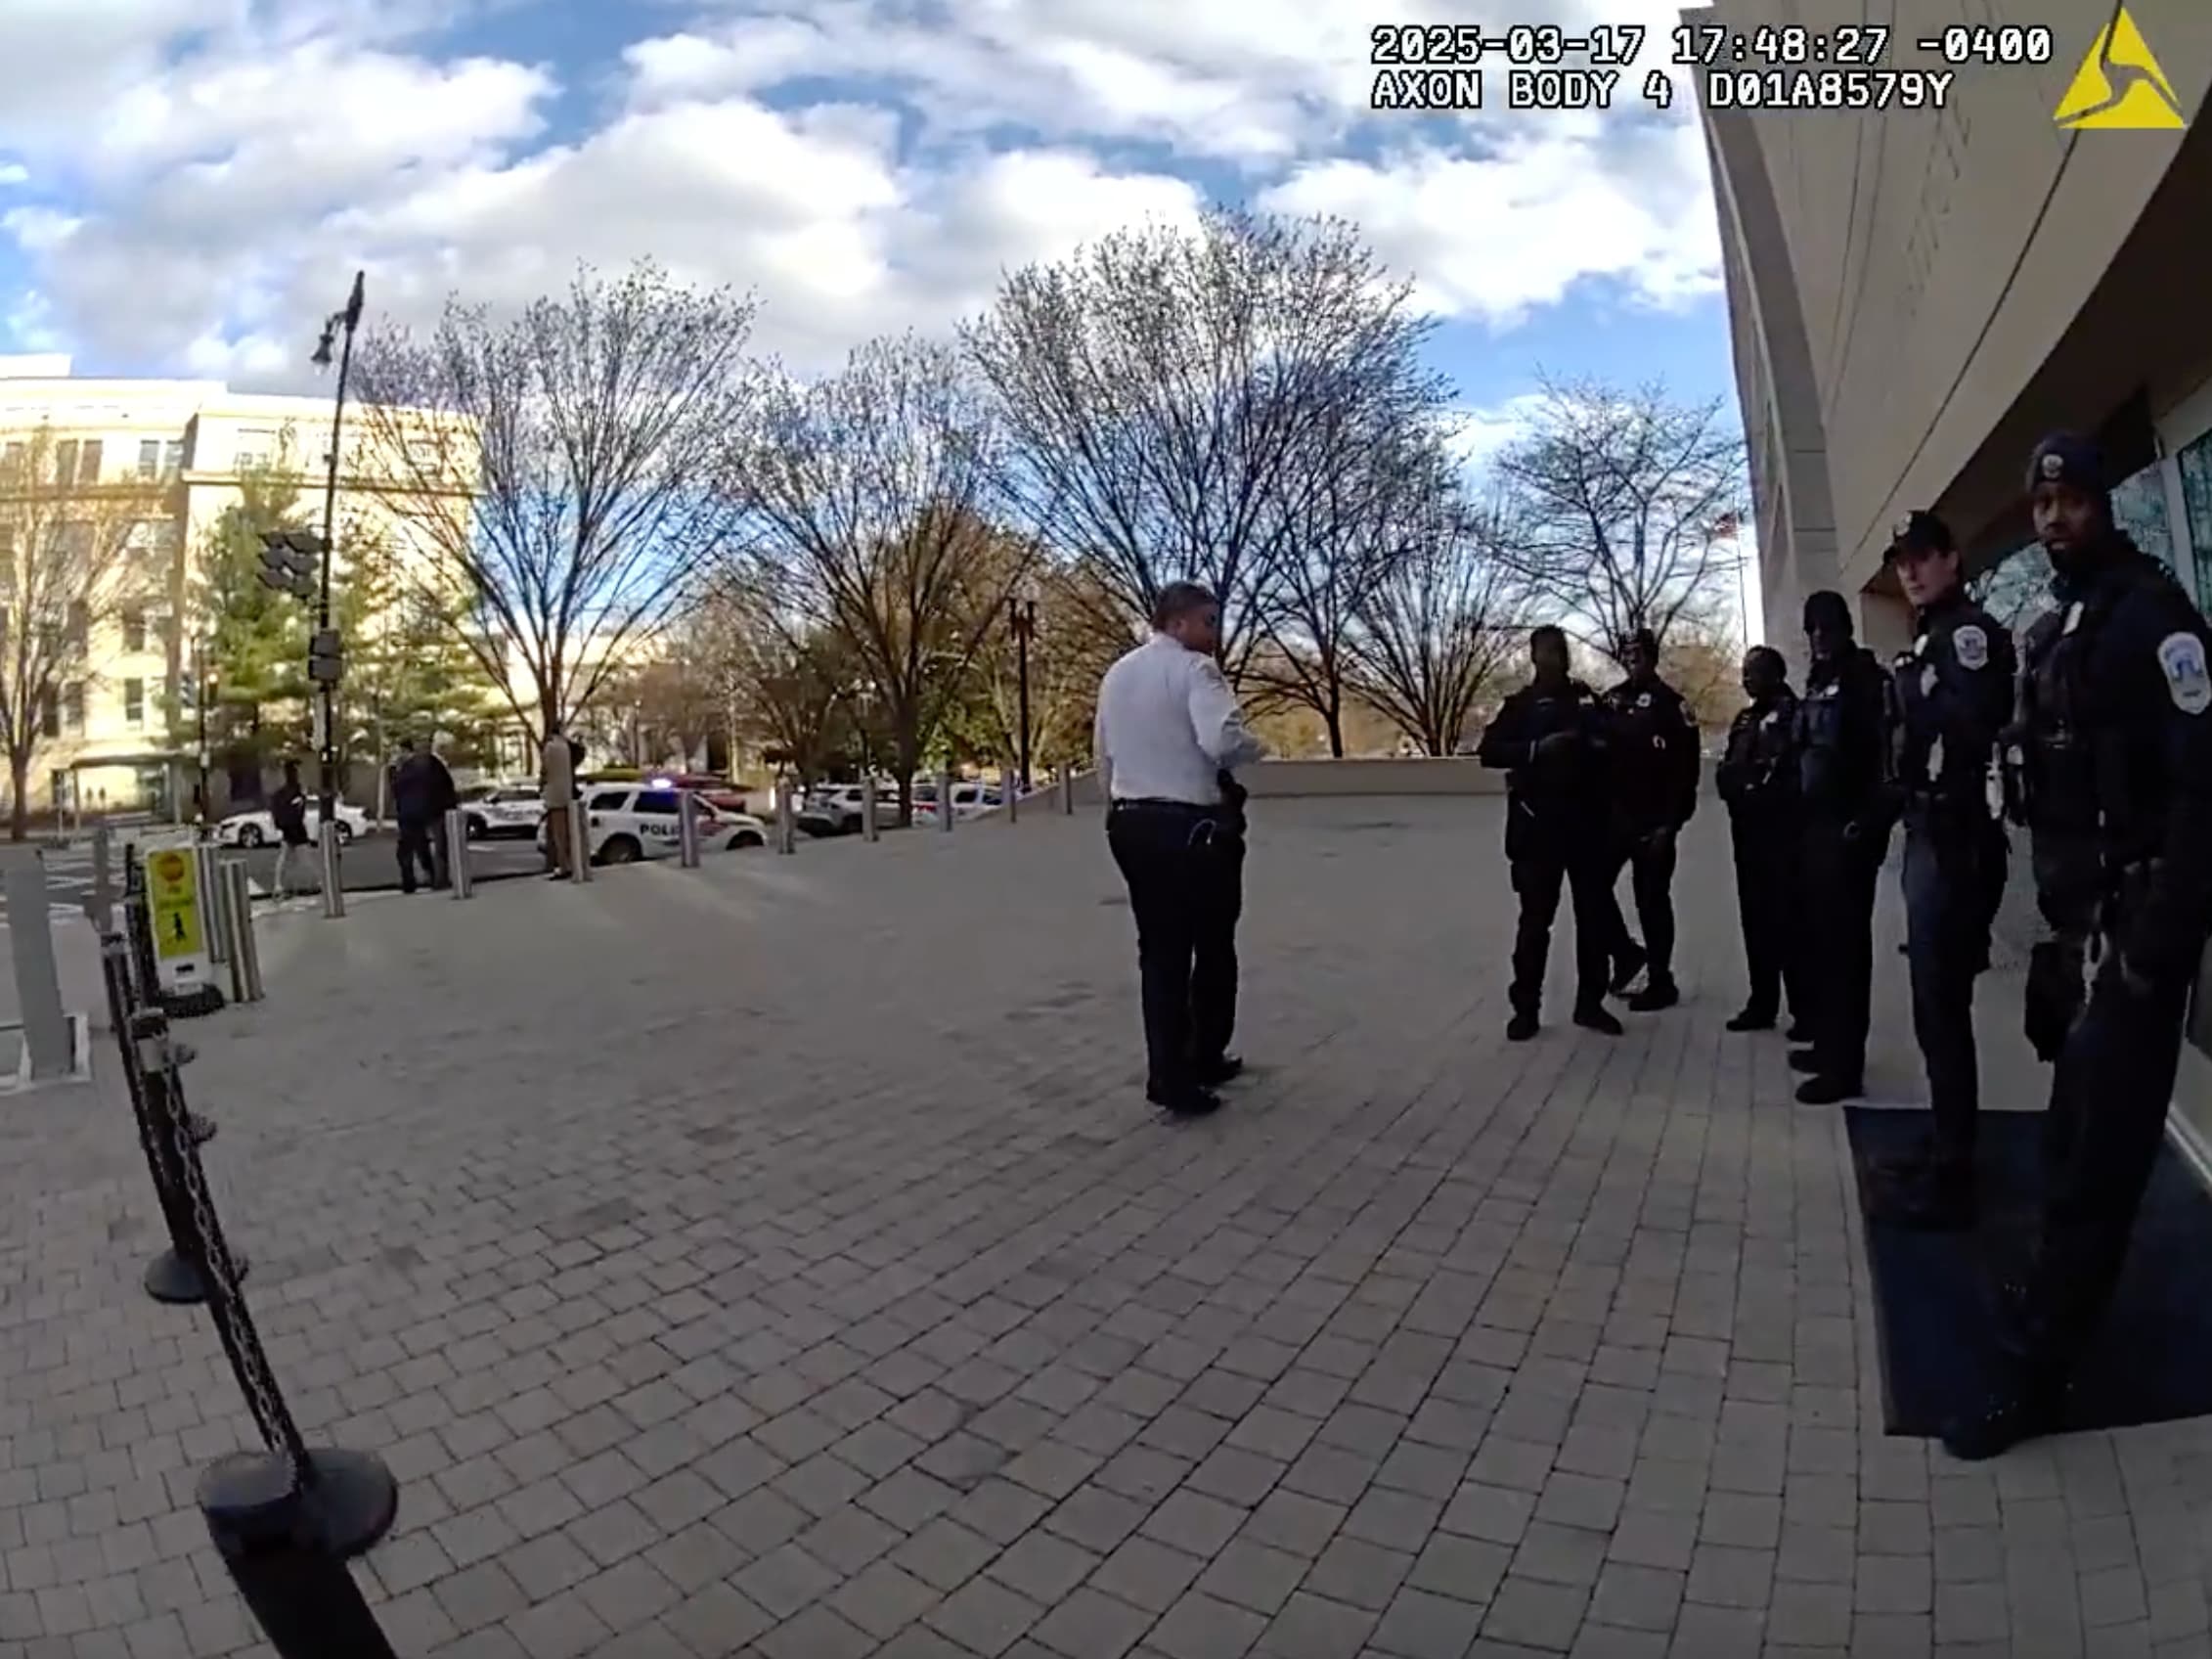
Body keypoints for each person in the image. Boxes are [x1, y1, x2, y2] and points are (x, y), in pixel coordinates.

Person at [1944, 434, 2212, 1460]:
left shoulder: (2154, 617)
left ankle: (2037, 1375)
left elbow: (2202, 790)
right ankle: (2047, 1306)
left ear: (2103, 502)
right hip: (2078, 925)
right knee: (2066, 1141)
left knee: (2100, 1159)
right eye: (2040, 502)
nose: (2053, 517)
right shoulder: (2063, 622)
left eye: (2071, 499)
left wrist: (2151, 949)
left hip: (2134, 930)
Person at [1867, 511, 2015, 1230]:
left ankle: (1955, 1172)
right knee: (1933, 1009)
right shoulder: (1930, 638)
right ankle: (1945, 1141)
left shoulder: (1967, 634)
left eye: (1923, 557)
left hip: (1958, 841)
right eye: (1902, 562)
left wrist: (1918, 683)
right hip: (1929, 832)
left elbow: (1975, 720)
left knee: (1943, 1008)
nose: (1911, 571)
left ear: (1952, 560)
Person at [1093, 582, 1264, 1118]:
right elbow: (1222, 740)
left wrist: (1118, 805)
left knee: (1160, 953)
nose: (1215, 632)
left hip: (1131, 821)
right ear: (1179, 622)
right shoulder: (1197, 671)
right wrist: (1255, 747)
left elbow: (1102, 753)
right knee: (1212, 942)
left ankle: (1168, 1070)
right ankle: (1201, 1057)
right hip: (1192, 826)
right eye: (1208, 621)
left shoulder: (1117, 674)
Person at [1477, 625, 1625, 1042]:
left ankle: (1590, 1003)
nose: (1558, 658)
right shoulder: (1520, 706)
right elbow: (1489, 751)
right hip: (1538, 829)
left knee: (1592, 920)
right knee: (1535, 924)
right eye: (1548, 651)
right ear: (1533, 656)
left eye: (1562, 650)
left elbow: (1613, 751)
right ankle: (1526, 1009)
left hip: (1586, 828)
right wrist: (1536, 750)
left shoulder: (1586, 700)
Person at [1790, 590, 1897, 1104]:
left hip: (1849, 832)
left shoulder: (1866, 680)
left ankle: (1844, 1066)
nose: (1818, 637)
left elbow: (1889, 761)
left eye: (1827, 627)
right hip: (1816, 829)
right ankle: (1829, 1045)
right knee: (1820, 945)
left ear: (1846, 628)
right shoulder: (1818, 679)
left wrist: (1867, 825)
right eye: (1811, 628)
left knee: (1845, 952)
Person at [1598, 627, 1703, 1010]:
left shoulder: (1671, 705)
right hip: (1616, 820)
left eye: (1638, 654)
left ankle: (1661, 980)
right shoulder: (1610, 701)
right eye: (1626, 654)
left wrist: (1671, 824)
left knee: (1652, 901)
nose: (1632, 660)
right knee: (1593, 887)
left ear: (1653, 657)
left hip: (1655, 822)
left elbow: (1687, 772)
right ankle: (1626, 954)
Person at [1715, 646, 1805, 1032]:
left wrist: (1754, 787)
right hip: (1747, 835)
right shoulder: (1744, 718)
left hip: (1782, 837)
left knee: (1790, 924)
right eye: (1744, 672)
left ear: (1775, 674)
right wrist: (1739, 784)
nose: (1746, 679)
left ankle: (1805, 1010)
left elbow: (1788, 774)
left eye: (1754, 672)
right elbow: (1727, 771)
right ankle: (1762, 1002)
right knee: (1756, 922)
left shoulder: (1793, 715)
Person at [389, 740, 439, 893]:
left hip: (411, 814)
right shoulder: (413, 767)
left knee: (409, 850)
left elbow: (397, 789)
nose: (397, 755)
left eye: (398, 752)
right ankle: (430, 877)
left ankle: (412, 882)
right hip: (413, 813)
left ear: (405, 751)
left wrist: (395, 771)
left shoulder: (410, 769)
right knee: (418, 848)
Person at [269, 759, 311, 903]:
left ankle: (284, 886)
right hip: (294, 827)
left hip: (290, 827)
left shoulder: (284, 792)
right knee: (298, 856)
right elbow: (298, 810)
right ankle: (287, 886)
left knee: (289, 857)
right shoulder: (294, 791)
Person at [420, 742, 461, 889]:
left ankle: (439, 877)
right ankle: (440, 879)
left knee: (440, 847)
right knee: (440, 847)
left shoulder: (434, 765)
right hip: (439, 812)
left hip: (436, 811)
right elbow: (439, 790)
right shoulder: (434, 765)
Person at [542, 727, 577, 877]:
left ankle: (563, 866)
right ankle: (570, 863)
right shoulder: (566, 747)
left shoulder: (550, 747)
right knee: (568, 833)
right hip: (566, 793)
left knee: (558, 834)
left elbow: (545, 769)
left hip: (554, 796)